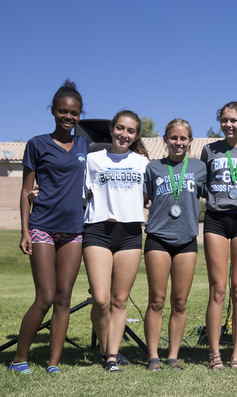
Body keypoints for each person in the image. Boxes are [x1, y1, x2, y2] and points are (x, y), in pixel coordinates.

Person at [10, 80, 90, 375]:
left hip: (74, 230)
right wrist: (24, 230)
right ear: (54, 112)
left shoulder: (85, 145)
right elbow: (24, 190)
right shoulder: (37, 144)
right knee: (45, 296)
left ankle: (53, 363)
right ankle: (19, 359)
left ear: (80, 115)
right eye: (63, 111)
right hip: (42, 225)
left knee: (64, 297)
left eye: (74, 113)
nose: (69, 117)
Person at [83, 110, 149, 372]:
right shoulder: (92, 159)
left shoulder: (143, 163)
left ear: (136, 136)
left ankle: (112, 355)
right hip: (97, 230)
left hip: (131, 233)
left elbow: (152, 196)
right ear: (111, 129)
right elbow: (78, 192)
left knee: (120, 300)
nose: (124, 134)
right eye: (120, 128)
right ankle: (103, 346)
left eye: (130, 131)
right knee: (100, 299)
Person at [143, 119, 206, 371]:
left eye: (183, 138)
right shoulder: (153, 168)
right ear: (165, 140)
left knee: (180, 302)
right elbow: (142, 198)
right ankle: (153, 357)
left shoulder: (200, 168)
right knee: (157, 300)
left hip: (187, 239)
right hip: (158, 238)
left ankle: (173, 357)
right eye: (173, 138)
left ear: (190, 141)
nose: (178, 143)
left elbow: (216, 192)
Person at [200, 102, 237, 370]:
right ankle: (214, 356)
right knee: (218, 289)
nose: (228, 125)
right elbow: (200, 185)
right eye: (224, 120)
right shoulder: (209, 149)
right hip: (216, 219)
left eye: (234, 120)